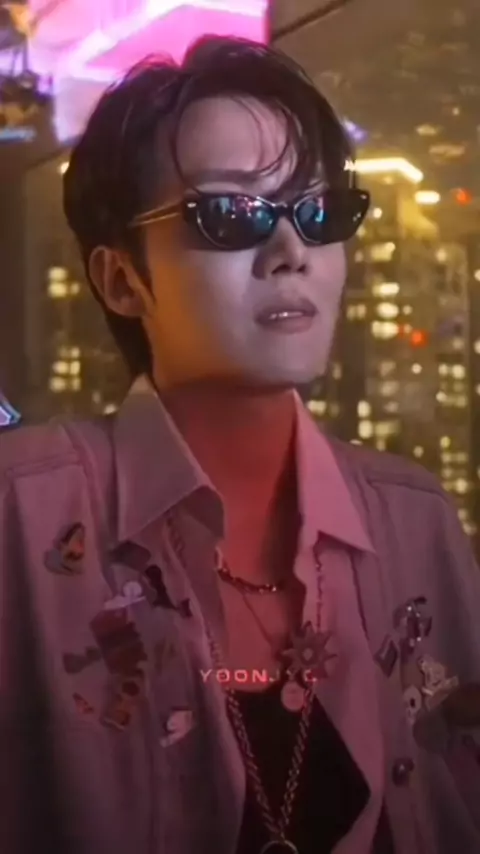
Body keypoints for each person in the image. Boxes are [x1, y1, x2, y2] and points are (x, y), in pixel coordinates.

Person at [1, 36, 480, 854]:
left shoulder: (414, 518)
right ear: (122, 280)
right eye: (230, 216)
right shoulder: (23, 511)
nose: (292, 252)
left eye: (319, 212)